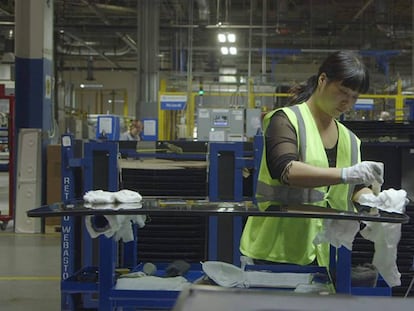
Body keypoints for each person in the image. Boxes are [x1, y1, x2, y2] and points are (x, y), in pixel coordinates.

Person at [239, 51, 387, 268]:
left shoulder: (350, 139)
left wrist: (373, 199)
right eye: (342, 92)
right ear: (323, 80)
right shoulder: (286, 120)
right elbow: (285, 169)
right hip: (276, 251)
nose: (347, 102)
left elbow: (355, 187)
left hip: (327, 252)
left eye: (354, 97)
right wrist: (346, 174)